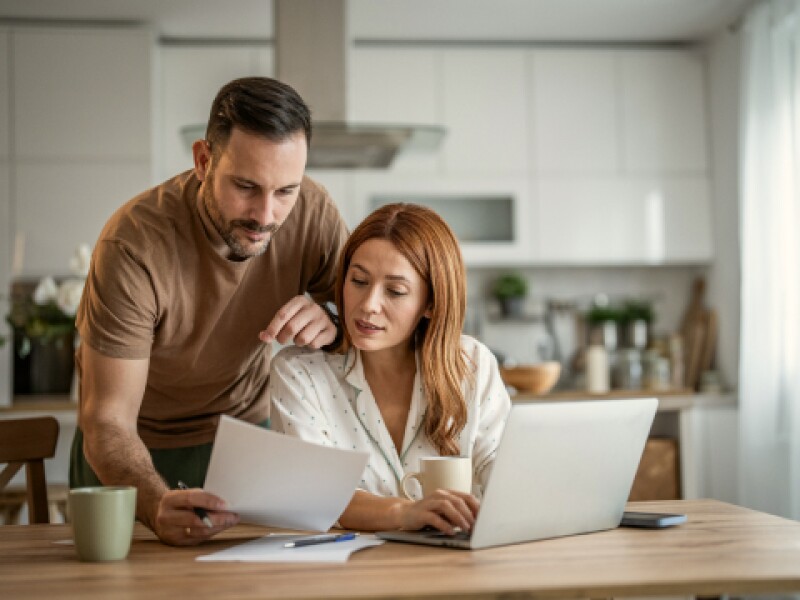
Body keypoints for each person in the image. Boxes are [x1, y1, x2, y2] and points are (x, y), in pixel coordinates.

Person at [70, 77, 349, 546]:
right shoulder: (133, 245)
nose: (266, 215)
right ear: (203, 161)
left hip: (246, 438)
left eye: (285, 191)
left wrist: (335, 320)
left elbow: (373, 322)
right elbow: (108, 421)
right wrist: (155, 505)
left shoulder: (314, 212)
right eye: (246, 186)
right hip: (132, 452)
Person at [269, 203, 511, 535]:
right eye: (358, 281)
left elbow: (506, 478)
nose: (368, 305)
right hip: (347, 574)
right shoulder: (301, 374)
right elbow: (314, 495)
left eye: (395, 291)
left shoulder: (472, 365)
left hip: (456, 570)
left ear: (430, 303)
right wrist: (407, 513)